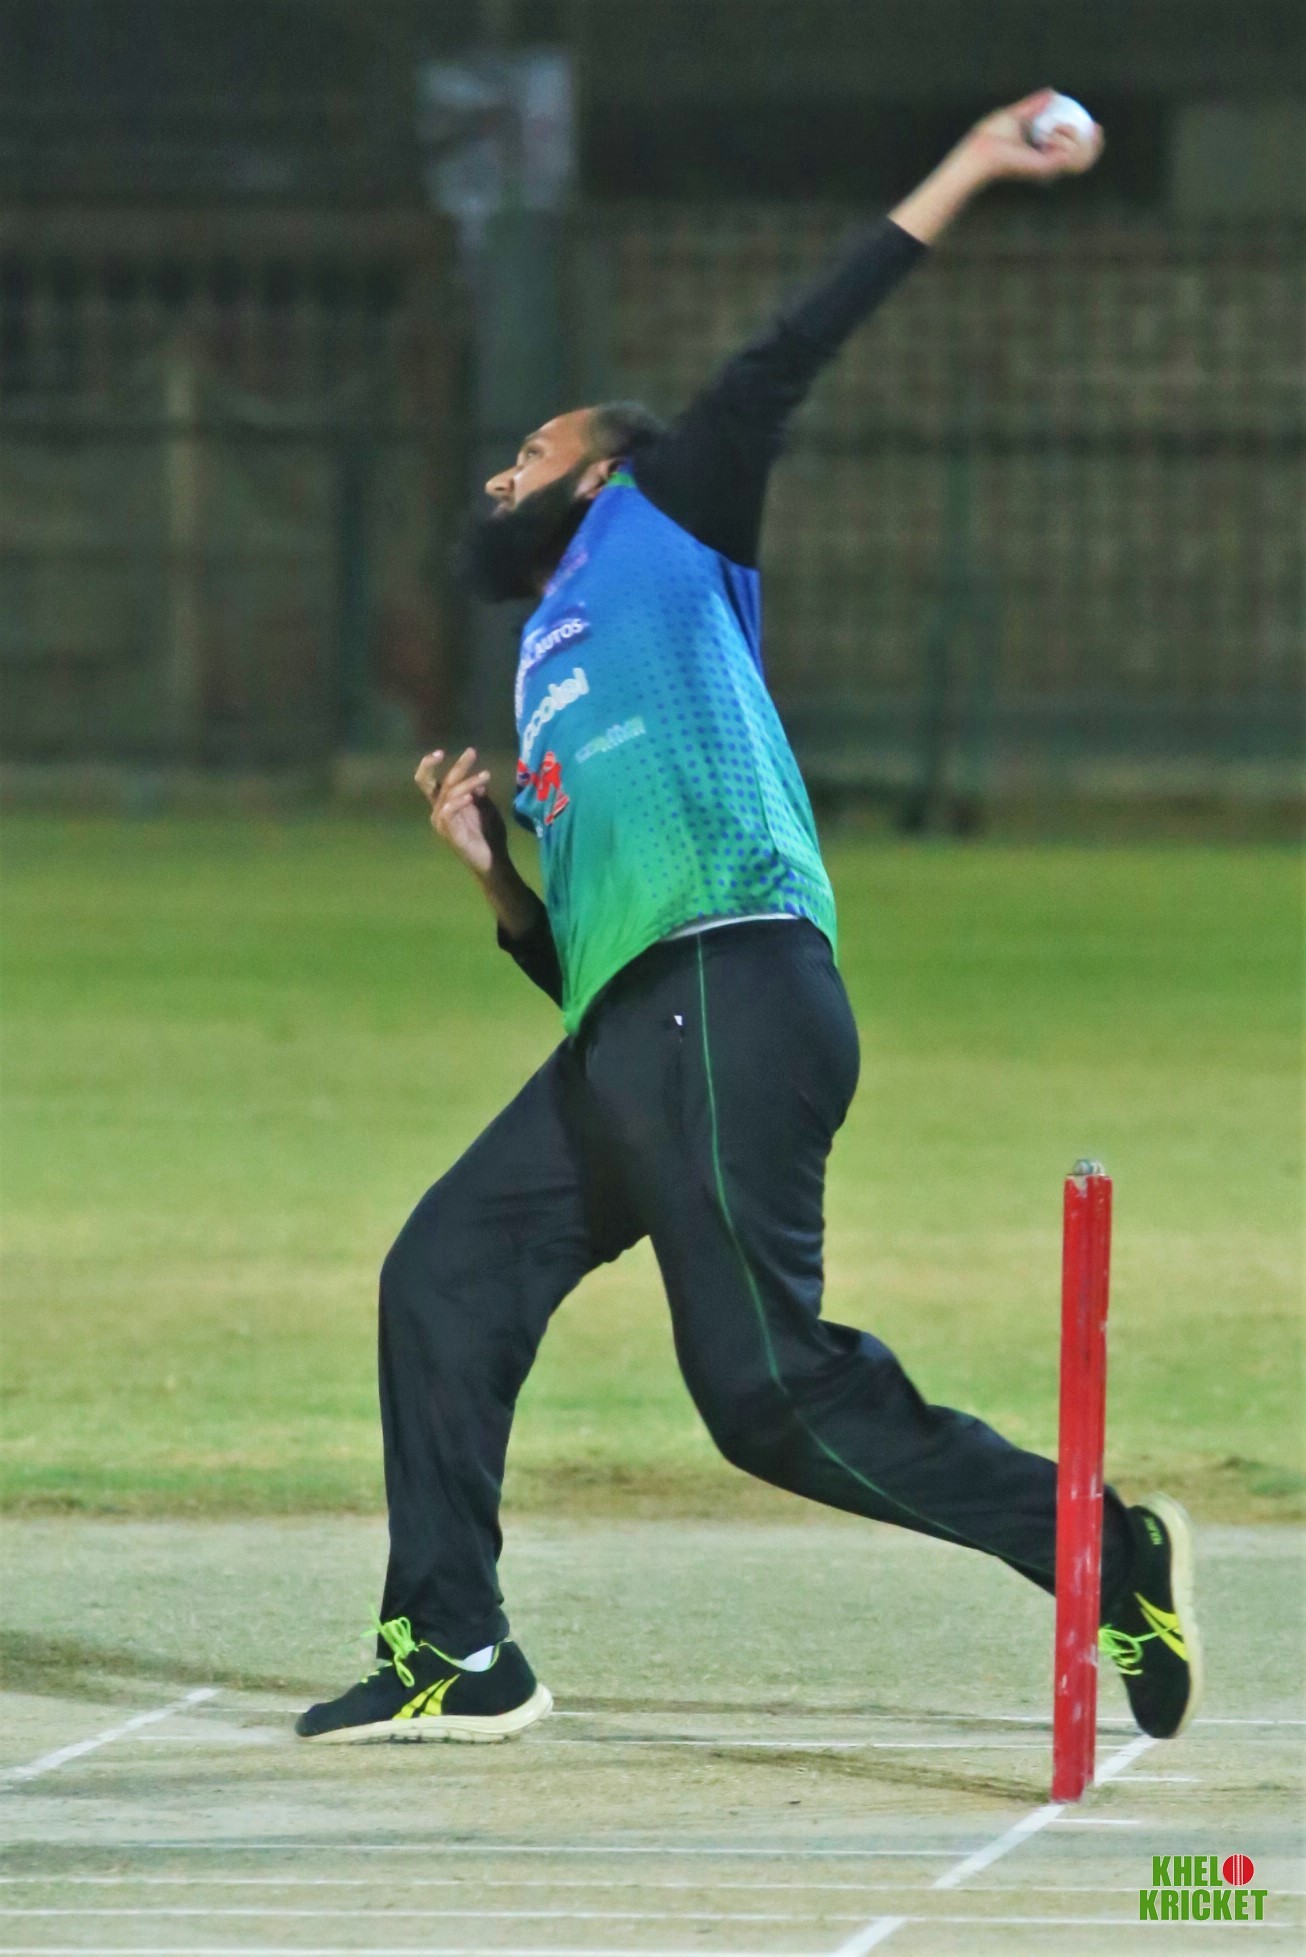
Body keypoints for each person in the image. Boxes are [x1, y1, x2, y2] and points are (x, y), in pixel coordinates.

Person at [297, 91, 1201, 1746]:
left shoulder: (669, 509)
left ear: (603, 469)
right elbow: (585, 967)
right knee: (443, 1275)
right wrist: (496, 874)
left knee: (767, 1397)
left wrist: (972, 163)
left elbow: (796, 342)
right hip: (642, 1029)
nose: (500, 471)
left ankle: (1095, 1542)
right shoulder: (549, 661)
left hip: (737, 991)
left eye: (529, 451)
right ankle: (456, 1644)